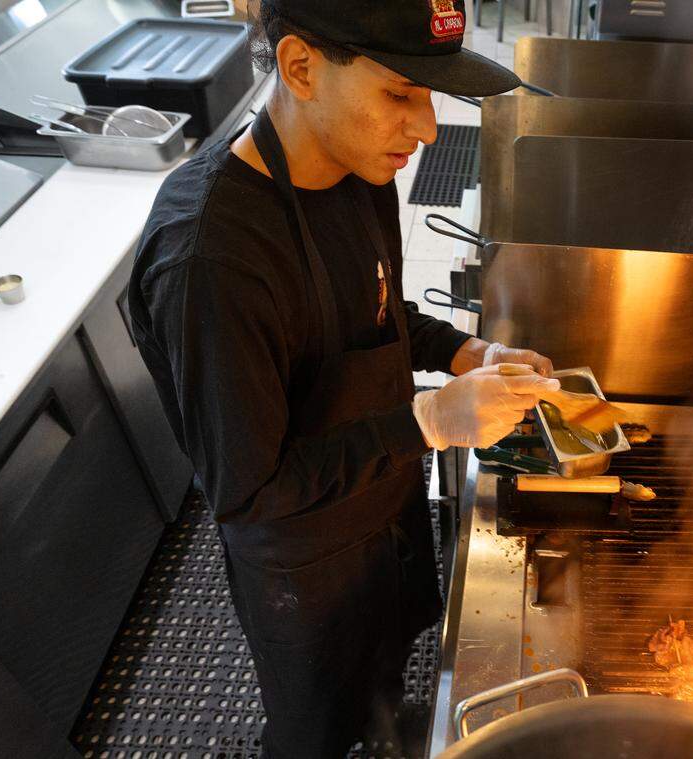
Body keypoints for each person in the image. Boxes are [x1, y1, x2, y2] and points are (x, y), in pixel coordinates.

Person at [126, 1, 557, 755]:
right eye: (401, 94)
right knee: (315, 725)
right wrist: (429, 423)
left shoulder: (359, 165)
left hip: (379, 512)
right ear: (300, 67)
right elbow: (249, 489)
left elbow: (379, 312)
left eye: (431, 96)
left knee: (383, 674)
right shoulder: (211, 261)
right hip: (303, 568)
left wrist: (467, 352)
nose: (426, 129)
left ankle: (383, 725)